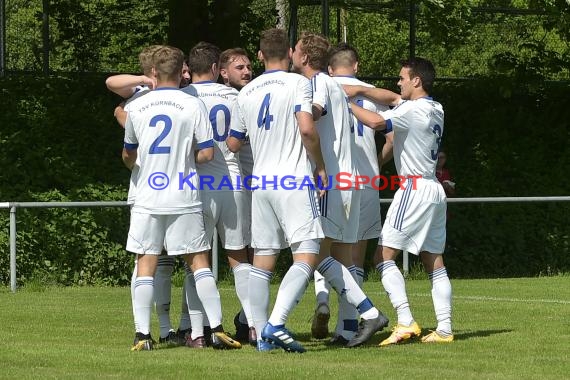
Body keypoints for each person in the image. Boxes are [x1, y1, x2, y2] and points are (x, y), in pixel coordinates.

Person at [122, 45, 240, 351]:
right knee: (199, 262)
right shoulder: (192, 104)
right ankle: (216, 329)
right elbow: (206, 152)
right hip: (184, 192)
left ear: (153, 73)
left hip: (148, 193)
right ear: (180, 71)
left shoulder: (137, 107)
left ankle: (142, 335)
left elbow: (128, 154)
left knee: (146, 261)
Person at [226, 28, 328, 353]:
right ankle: (276, 324)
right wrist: (321, 167)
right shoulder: (299, 82)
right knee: (308, 253)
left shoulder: (246, 92)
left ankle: (259, 336)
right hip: (293, 178)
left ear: (259, 55)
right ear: (288, 54)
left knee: (263, 261)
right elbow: (307, 127)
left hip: (261, 182)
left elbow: (231, 143)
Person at [291, 33, 389, 348]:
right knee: (346, 258)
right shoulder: (341, 87)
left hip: (333, 181)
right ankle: (348, 329)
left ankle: (369, 312)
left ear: (304, 56)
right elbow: (379, 124)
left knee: (313, 254)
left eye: (296, 49)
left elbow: (313, 115)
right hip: (357, 179)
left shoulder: (319, 82)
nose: (292, 52)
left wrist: (290, 114)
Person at [349, 57, 453, 345]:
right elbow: (394, 100)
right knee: (434, 261)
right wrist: (361, 91)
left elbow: (376, 121)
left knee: (381, 256)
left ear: (416, 81)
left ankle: (405, 320)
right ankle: (444, 329)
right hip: (433, 188)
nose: (399, 82)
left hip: (413, 188)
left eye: (402, 78)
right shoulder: (436, 108)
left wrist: (343, 101)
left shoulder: (413, 109)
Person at [182, 41, 255, 347]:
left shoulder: (182, 98)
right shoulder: (239, 96)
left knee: (196, 261)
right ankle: (254, 325)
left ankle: (199, 333)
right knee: (239, 258)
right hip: (233, 182)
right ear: (216, 68)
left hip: (197, 187)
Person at [219, 47, 255, 338]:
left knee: (252, 254)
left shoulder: (195, 96)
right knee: (248, 253)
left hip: (253, 182)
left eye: (248, 66)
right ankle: (250, 321)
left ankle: (246, 319)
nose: (246, 71)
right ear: (223, 72)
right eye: (239, 67)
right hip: (240, 182)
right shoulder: (244, 98)